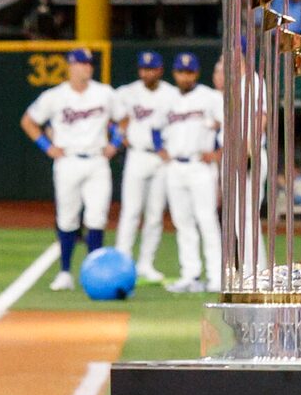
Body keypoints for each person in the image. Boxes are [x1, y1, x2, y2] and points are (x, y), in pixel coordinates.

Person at [22, 48, 116, 289]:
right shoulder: (55, 96)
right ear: (70, 67)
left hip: (97, 160)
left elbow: (124, 119)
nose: (86, 67)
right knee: (67, 218)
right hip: (67, 161)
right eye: (81, 63)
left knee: (97, 217)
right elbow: (28, 121)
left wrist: (115, 144)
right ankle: (65, 272)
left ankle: (92, 273)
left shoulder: (105, 93)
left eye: (88, 63)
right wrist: (47, 147)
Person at [155, 52, 224, 294]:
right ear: (174, 73)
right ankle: (190, 274)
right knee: (182, 222)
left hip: (200, 166)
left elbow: (228, 125)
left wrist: (218, 153)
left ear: (196, 73)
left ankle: (216, 276)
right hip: (175, 166)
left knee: (207, 220)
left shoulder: (210, 98)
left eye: (189, 72)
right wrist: (159, 149)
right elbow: (155, 127)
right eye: (181, 72)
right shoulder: (166, 99)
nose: (185, 76)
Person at [109, 50, 175, 284]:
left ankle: (146, 264)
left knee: (155, 215)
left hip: (161, 159)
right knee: (131, 212)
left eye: (151, 68)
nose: (147, 72)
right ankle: (122, 261)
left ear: (160, 70)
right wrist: (118, 138)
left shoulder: (171, 94)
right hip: (137, 154)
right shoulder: (127, 93)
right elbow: (109, 116)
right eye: (143, 68)